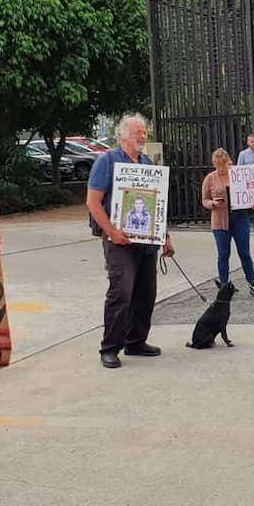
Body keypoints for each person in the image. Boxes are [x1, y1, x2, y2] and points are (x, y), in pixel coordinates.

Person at [86, 114, 175, 369]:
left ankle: (135, 341)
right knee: (121, 291)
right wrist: (112, 232)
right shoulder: (107, 161)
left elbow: (157, 203)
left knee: (146, 292)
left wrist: (165, 237)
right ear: (123, 135)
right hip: (119, 240)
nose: (143, 136)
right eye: (138, 132)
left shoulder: (146, 162)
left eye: (144, 132)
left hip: (146, 241)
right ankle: (110, 348)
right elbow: (93, 202)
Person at [201, 148, 254, 298]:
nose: (220, 168)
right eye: (217, 165)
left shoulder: (237, 175)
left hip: (239, 217)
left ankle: (253, 283)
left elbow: (249, 192)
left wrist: (252, 204)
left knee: (244, 252)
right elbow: (204, 200)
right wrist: (211, 203)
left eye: (223, 165)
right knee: (223, 254)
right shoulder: (210, 178)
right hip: (220, 220)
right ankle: (224, 286)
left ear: (228, 162)